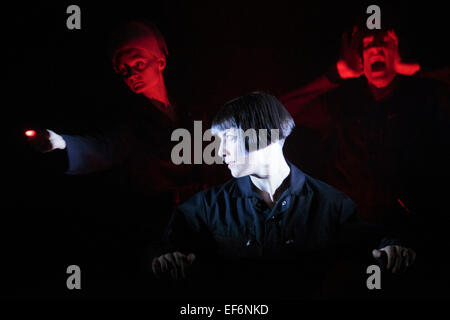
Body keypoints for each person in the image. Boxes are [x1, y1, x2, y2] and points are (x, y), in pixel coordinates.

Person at [152, 92, 416, 299]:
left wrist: (390, 247)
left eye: (229, 138)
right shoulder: (207, 205)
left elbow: (369, 240)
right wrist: (166, 258)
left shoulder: (330, 204)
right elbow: (164, 247)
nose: (220, 152)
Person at [25, 20, 202, 297]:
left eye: (138, 63)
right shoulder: (132, 124)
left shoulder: (189, 110)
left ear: (160, 60)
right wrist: (62, 143)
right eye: (124, 70)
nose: (132, 74)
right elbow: (105, 148)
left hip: (197, 224)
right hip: (156, 230)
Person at [280, 24, 449, 298]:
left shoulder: (425, 100)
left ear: (398, 51)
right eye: (368, 44)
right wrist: (334, 76)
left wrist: (414, 69)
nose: (376, 48)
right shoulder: (342, 106)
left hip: (415, 243)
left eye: (385, 42)